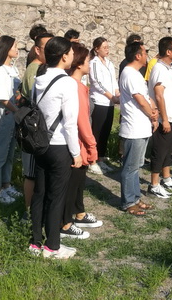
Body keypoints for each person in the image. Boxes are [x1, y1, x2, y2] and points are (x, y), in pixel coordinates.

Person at [29, 36, 80, 259]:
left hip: (39, 144)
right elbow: (70, 123)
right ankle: (52, 246)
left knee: (39, 194)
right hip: (59, 145)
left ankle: (35, 243)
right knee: (56, 197)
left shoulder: (38, 79)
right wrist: (76, 153)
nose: (73, 56)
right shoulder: (67, 83)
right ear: (63, 56)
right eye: (71, 52)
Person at [60, 43, 103, 240]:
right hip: (77, 142)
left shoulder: (77, 85)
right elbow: (82, 120)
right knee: (73, 183)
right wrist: (92, 145)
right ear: (79, 63)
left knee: (78, 181)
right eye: (87, 60)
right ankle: (65, 223)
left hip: (79, 141)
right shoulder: (75, 87)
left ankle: (79, 213)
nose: (89, 63)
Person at [119, 42, 158, 215]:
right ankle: (128, 202)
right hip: (133, 127)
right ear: (137, 55)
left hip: (141, 126)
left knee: (135, 166)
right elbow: (140, 101)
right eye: (145, 52)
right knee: (130, 167)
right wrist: (152, 115)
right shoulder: (129, 74)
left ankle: (135, 198)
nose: (147, 55)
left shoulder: (136, 74)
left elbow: (146, 98)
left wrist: (153, 112)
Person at [20, 31, 53, 217]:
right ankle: (29, 213)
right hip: (34, 130)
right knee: (31, 174)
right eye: (46, 48)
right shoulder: (34, 70)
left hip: (41, 129)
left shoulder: (43, 68)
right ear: (37, 49)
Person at [147, 37, 172, 198]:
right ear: (168, 51)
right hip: (163, 119)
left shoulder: (169, 68)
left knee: (168, 150)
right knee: (160, 151)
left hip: (171, 116)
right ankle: (154, 184)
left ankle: (166, 178)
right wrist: (165, 118)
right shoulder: (159, 68)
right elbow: (159, 95)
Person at [0, 36, 22, 203]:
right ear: (6, 48)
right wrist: (17, 111)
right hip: (5, 115)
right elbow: (2, 98)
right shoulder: (1, 70)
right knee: (0, 154)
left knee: (10, 154)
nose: (17, 49)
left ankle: (6, 184)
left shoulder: (13, 68)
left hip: (13, 115)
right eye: (14, 46)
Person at [89, 37, 119, 173]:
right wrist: (111, 96)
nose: (107, 50)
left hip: (110, 103)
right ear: (97, 49)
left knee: (105, 132)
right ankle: (92, 161)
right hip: (99, 101)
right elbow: (97, 82)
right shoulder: (94, 63)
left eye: (108, 47)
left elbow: (114, 81)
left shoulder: (109, 63)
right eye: (104, 47)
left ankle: (100, 158)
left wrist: (117, 93)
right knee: (97, 132)